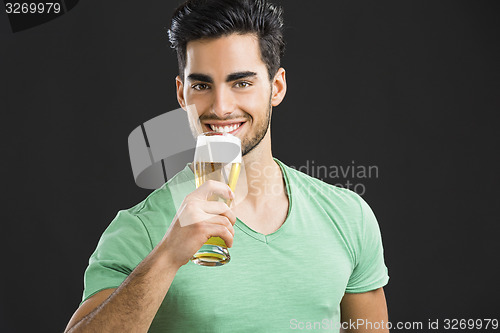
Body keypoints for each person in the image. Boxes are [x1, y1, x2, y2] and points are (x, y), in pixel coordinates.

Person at [65, 0, 390, 332]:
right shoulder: (141, 229)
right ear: (182, 94)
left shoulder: (348, 217)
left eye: (241, 83)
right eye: (202, 86)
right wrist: (167, 256)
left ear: (276, 87)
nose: (220, 108)